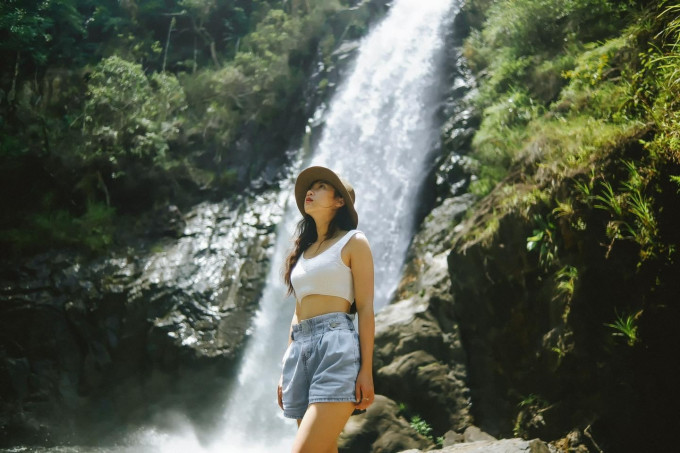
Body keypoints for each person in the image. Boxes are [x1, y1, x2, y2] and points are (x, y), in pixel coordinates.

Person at [277, 166, 375, 453]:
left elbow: (366, 308)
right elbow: (298, 311)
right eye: (311, 187)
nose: (310, 191)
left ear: (339, 201)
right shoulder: (304, 252)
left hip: (336, 349)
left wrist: (366, 371)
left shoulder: (354, 242)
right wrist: (285, 367)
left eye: (320, 186)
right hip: (300, 351)